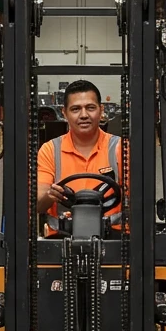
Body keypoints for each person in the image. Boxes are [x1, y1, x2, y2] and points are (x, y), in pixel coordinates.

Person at [36, 79, 124, 227]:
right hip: (60, 240)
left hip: (112, 241)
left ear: (101, 110)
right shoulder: (50, 150)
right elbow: (38, 204)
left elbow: (138, 201)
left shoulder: (120, 148)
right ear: (64, 113)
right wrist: (50, 196)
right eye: (75, 109)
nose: (84, 115)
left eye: (90, 108)